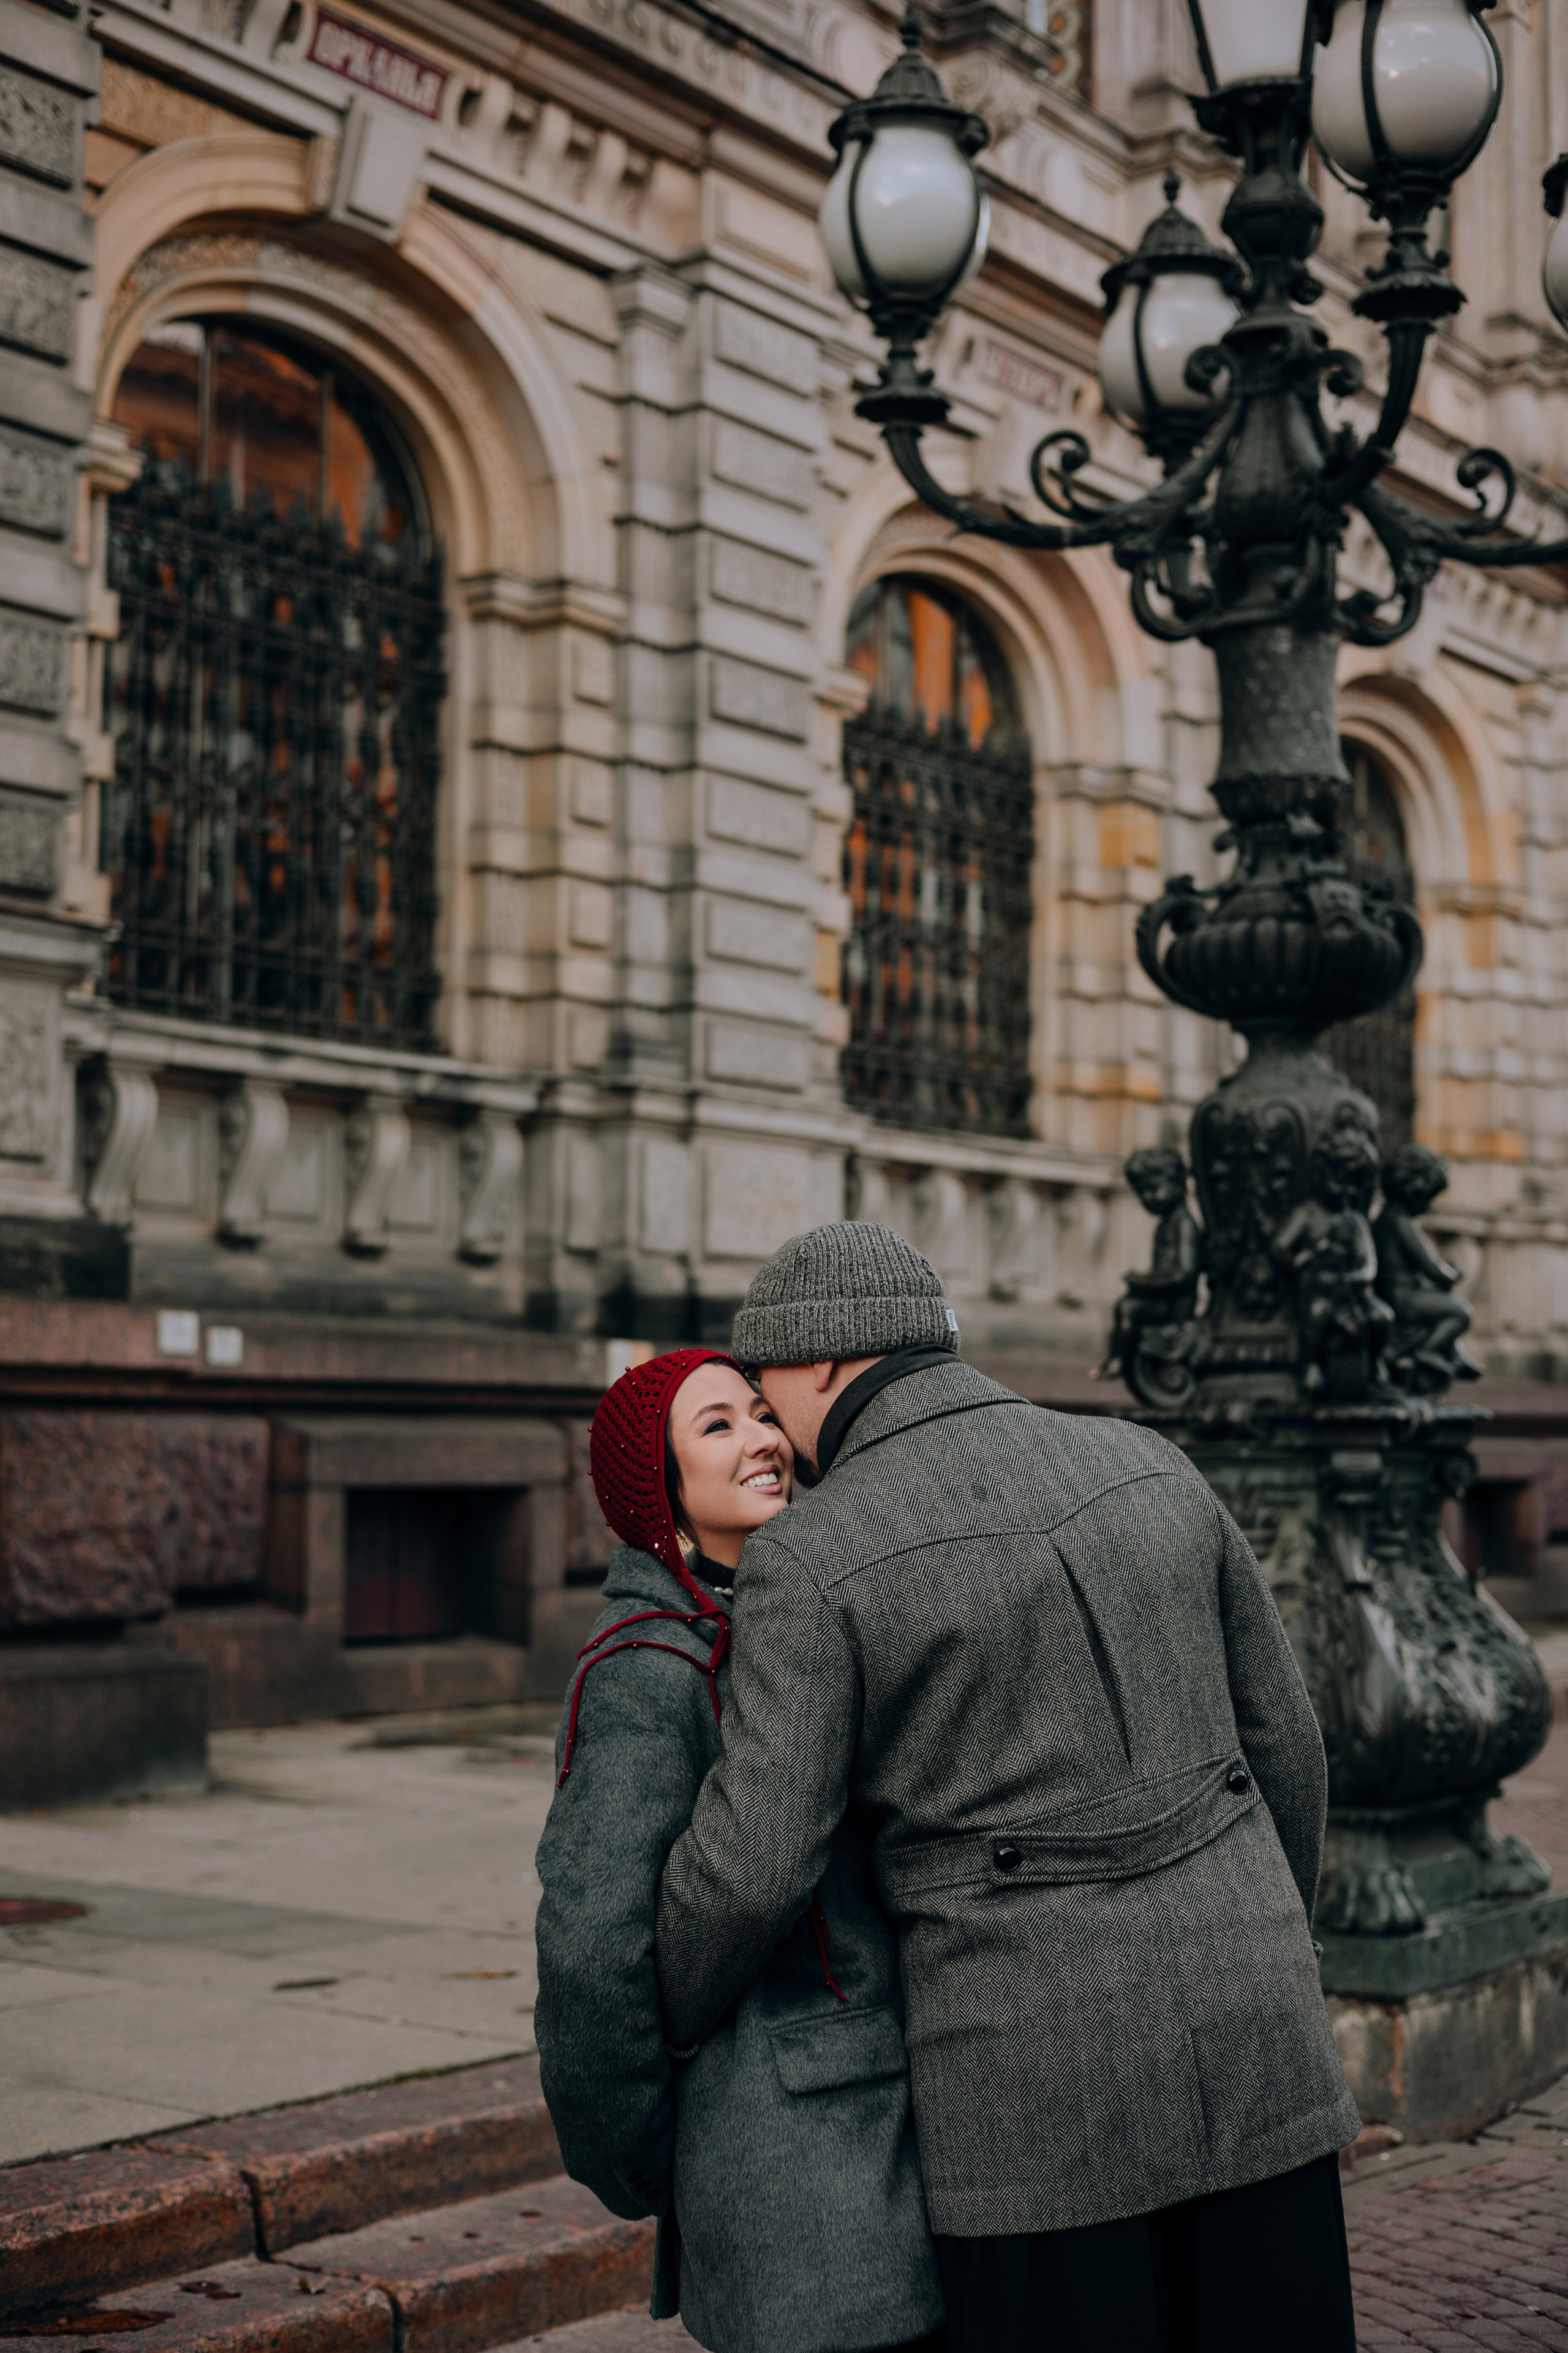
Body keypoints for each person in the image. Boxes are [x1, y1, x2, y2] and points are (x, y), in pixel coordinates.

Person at [655, 1225, 1362, 2353]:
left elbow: (754, 1862)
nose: (771, 1423)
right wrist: (1266, 1935)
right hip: (1259, 2034)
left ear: (827, 1365)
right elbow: (1289, 1745)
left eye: (768, 1385)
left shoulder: (815, 1555)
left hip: (1033, 2096)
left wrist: (666, 2012)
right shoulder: (1150, 1459)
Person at [533, 1345, 944, 2353]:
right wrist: (638, 2156)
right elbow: (592, 1947)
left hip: (904, 2132)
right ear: (660, 1495)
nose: (764, 1438)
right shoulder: (647, 1668)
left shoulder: (797, 1612)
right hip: (793, 2165)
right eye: (717, 1426)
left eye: (762, 1413)